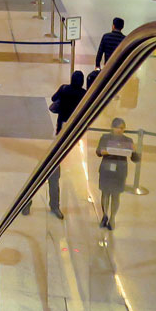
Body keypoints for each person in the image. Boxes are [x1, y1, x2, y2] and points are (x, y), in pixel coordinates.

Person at [46, 70, 88, 219]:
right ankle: (55, 204)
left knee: (53, 168)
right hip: (75, 132)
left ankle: (52, 203)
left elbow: (53, 98)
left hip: (61, 130)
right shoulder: (84, 93)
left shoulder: (64, 89)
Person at [96, 117, 139, 229]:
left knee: (116, 195)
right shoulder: (105, 138)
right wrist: (102, 151)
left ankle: (112, 218)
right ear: (112, 128)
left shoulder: (128, 141)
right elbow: (98, 152)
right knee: (105, 193)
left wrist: (134, 150)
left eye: (121, 128)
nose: (119, 130)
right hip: (106, 169)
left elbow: (135, 159)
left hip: (119, 171)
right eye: (117, 128)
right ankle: (104, 215)